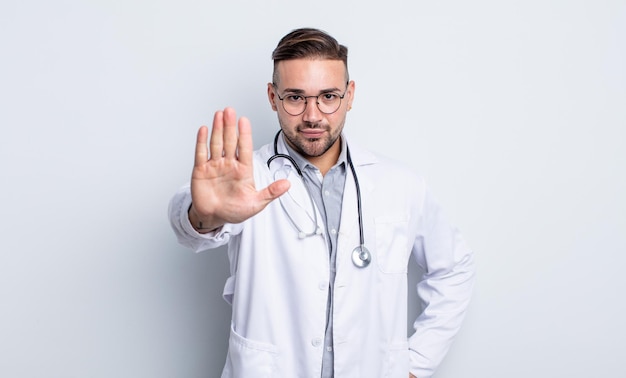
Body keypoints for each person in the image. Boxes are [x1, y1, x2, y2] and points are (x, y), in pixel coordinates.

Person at [168, 27, 475, 378]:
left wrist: (416, 364)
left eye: (328, 96)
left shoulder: (399, 183)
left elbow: (454, 268)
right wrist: (202, 216)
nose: (313, 115)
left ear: (350, 95)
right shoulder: (244, 177)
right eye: (295, 98)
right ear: (272, 96)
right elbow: (187, 226)